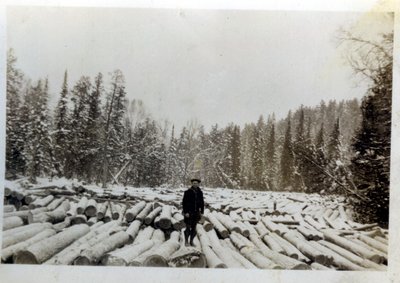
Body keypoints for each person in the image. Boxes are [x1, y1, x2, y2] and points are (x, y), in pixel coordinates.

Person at [182, 178, 205, 246]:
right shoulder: (187, 192)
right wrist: (186, 212)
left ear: (198, 184)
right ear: (192, 184)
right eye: (194, 183)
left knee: (194, 229)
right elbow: (184, 203)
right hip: (189, 213)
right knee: (188, 228)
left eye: (196, 183)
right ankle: (186, 241)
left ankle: (191, 241)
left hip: (196, 213)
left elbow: (202, 203)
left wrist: (202, 212)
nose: (195, 184)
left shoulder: (200, 192)